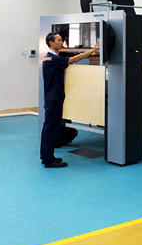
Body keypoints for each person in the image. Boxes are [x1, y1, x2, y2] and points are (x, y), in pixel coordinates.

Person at [41, 33, 99, 168]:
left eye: (62, 40)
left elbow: (70, 60)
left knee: (50, 128)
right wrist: (92, 51)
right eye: (59, 40)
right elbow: (74, 59)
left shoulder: (52, 58)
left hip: (53, 98)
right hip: (54, 99)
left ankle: (47, 156)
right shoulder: (53, 59)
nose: (62, 42)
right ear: (51, 43)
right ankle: (48, 160)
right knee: (51, 129)